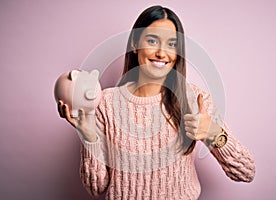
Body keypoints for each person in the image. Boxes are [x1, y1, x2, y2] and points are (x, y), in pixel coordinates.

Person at [57, 5, 255, 200]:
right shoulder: (105, 104)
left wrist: (212, 132)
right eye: (152, 41)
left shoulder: (195, 100)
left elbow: (246, 171)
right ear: (135, 44)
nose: (162, 53)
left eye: (171, 44)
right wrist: (88, 135)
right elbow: (96, 188)